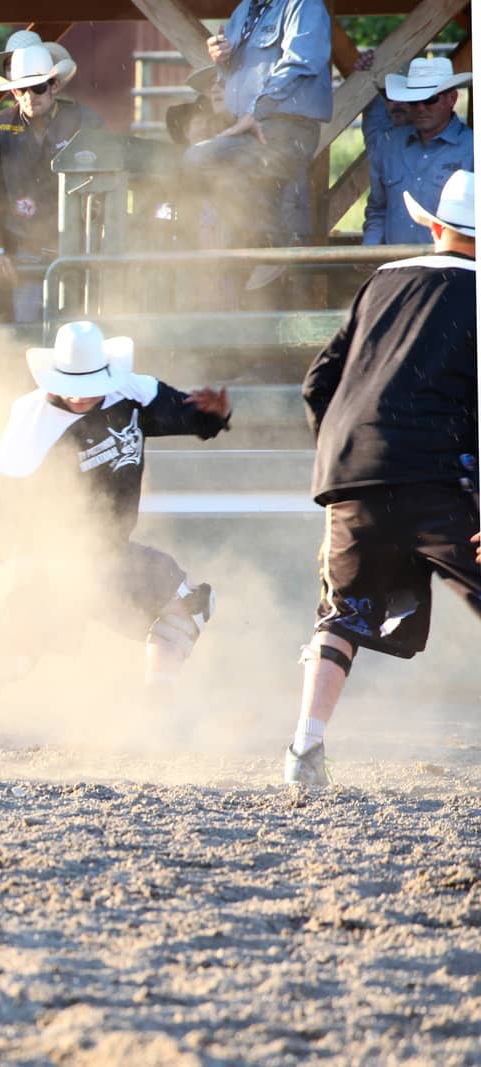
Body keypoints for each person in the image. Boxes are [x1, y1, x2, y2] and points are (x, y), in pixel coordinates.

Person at [283, 170, 479, 787]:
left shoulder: (384, 280)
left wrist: (344, 459)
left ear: (436, 226)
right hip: (439, 475)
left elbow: (319, 382)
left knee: (343, 611)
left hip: (353, 469)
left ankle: (304, 748)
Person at [0, 321, 231, 698]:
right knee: (16, 653)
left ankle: (157, 705)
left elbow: (190, 416)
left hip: (109, 553)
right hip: (51, 557)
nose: (80, 397)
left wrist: (215, 416)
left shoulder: (131, 391)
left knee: (187, 607)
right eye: (72, 386)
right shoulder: (32, 420)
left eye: (89, 386)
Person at [183, 0, 331, 250]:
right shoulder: (242, 12)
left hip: (285, 126)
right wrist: (221, 59)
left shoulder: (304, 4)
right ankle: (262, 241)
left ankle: (266, 242)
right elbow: (233, 77)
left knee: (198, 158)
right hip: (252, 127)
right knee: (214, 169)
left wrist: (257, 109)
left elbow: (300, 63)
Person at [0, 41, 103, 322]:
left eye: (38, 88)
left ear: (54, 85)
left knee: (80, 330)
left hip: (79, 249)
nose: (29, 96)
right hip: (27, 252)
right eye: (22, 89)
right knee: (30, 333)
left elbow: (106, 184)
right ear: (12, 91)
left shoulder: (84, 121)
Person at [364, 58, 473, 247]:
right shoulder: (389, 145)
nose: (421, 108)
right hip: (397, 266)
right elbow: (377, 209)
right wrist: (369, 250)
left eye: (430, 99)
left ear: (452, 99)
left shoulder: (473, 148)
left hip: (451, 268)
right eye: (414, 101)